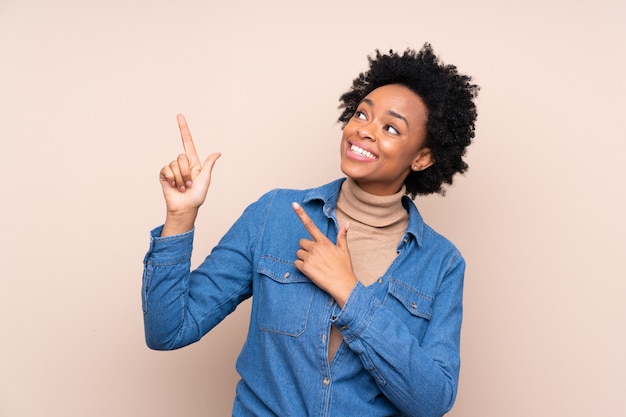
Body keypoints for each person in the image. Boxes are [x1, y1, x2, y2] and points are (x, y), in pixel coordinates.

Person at [142, 43, 479, 417]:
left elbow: (432, 401)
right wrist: (180, 217)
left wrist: (349, 292)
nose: (364, 131)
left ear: (422, 157)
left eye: (390, 127)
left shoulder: (442, 263)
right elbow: (168, 330)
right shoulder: (275, 215)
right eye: (361, 114)